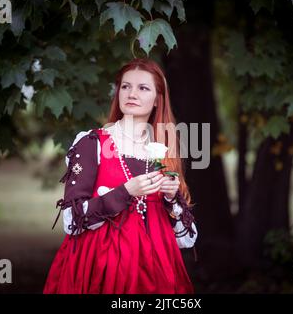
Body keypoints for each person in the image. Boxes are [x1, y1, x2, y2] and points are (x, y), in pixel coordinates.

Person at [43, 58, 197, 294]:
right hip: (100, 267)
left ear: (158, 99)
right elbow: (71, 221)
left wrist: (170, 197)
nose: (131, 93)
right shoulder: (91, 143)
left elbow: (184, 238)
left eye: (142, 88)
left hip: (156, 270)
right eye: (125, 86)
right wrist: (125, 192)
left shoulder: (163, 150)